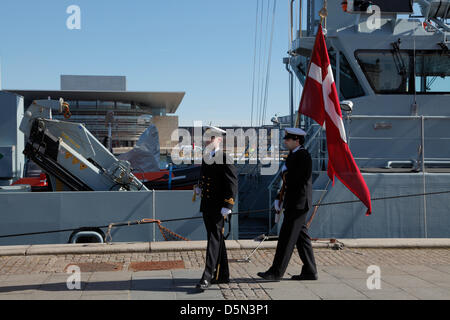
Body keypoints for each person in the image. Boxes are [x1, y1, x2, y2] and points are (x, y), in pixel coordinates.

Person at [257, 127, 318, 281]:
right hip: (293, 201)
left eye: (288, 139)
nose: (285, 141)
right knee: (301, 238)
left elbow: (297, 181)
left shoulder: (303, 156)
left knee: (286, 238)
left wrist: (286, 174)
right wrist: (279, 197)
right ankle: (310, 271)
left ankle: (276, 272)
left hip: (298, 203)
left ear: (296, 140)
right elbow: (286, 183)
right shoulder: (294, 155)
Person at [195, 126, 238, 291]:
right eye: (206, 138)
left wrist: (228, 205)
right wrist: (199, 187)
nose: (208, 141)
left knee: (213, 239)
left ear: (219, 139)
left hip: (219, 207)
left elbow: (232, 183)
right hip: (207, 205)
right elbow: (204, 177)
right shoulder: (207, 157)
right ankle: (223, 275)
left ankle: (208, 276)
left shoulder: (224, 157)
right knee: (216, 239)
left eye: (211, 138)